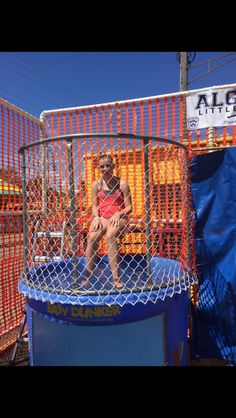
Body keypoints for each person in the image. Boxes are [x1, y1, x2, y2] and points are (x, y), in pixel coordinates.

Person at [82, 154, 132, 289]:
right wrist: (96, 218)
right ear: (99, 168)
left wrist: (119, 214)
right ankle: (87, 275)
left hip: (120, 217)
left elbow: (129, 207)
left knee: (110, 236)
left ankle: (116, 278)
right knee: (91, 236)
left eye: (108, 165)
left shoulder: (122, 184)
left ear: (113, 166)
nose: (105, 168)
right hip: (103, 217)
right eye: (102, 166)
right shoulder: (96, 185)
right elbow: (94, 205)